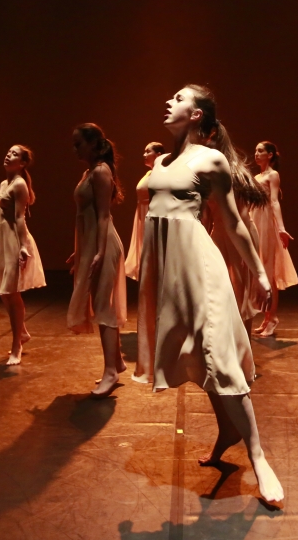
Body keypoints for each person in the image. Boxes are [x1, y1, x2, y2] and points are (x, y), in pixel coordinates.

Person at [139, 84, 283, 504]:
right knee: (195, 356)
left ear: (197, 114)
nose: (169, 102)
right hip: (169, 273)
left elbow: (233, 222)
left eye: (179, 98)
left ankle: (258, 457)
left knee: (218, 355)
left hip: (199, 267)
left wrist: (259, 271)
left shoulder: (211, 159)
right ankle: (227, 432)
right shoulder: (161, 162)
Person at [66, 124, 128, 397]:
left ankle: (110, 371)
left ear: (93, 144)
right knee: (102, 303)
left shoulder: (101, 172)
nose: (75, 149)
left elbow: (103, 216)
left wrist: (100, 252)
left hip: (104, 244)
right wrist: (81, 250)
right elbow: (86, 218)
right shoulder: (89, 172)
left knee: (103, 307)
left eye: (78, 144)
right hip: (93, 244)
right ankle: (118, 361)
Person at [0, 145, 46, 366]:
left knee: (11, 292)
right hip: (3, 240)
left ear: (22, 164)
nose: (8, 155)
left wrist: (22, 246)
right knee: (4, 291)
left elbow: (20, 218)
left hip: (15, 240)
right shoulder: (4, 184)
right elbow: (1, 217)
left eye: (14, 154)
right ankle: (23, 332)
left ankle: (16, 346)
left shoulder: (20, 184)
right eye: (8, 151)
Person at [207, 138, 268, 335]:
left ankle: (243, 346)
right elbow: (207, 216)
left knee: (241, 292)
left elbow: (239, 219)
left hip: (241, 234)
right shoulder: (206, 174)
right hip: (218, 234)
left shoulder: (235, 175)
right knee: (218, 291)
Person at [252, 141, 298, 337]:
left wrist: (281, 228)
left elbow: (274, 201)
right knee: (258, 270)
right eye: (255, 151)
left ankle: (272, 318)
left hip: (266, 222)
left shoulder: (272, 175)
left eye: (260, 151)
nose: (256, 154)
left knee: (268, 271)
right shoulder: (256, 177)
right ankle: (266, 317)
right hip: (254, 220)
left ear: (270, 155)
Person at [127, 142, 165, 384]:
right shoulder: (149, 173)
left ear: (159, 154)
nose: (144, 153)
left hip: (153, 222)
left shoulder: (161, 174)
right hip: (142, 220)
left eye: (148, 150)